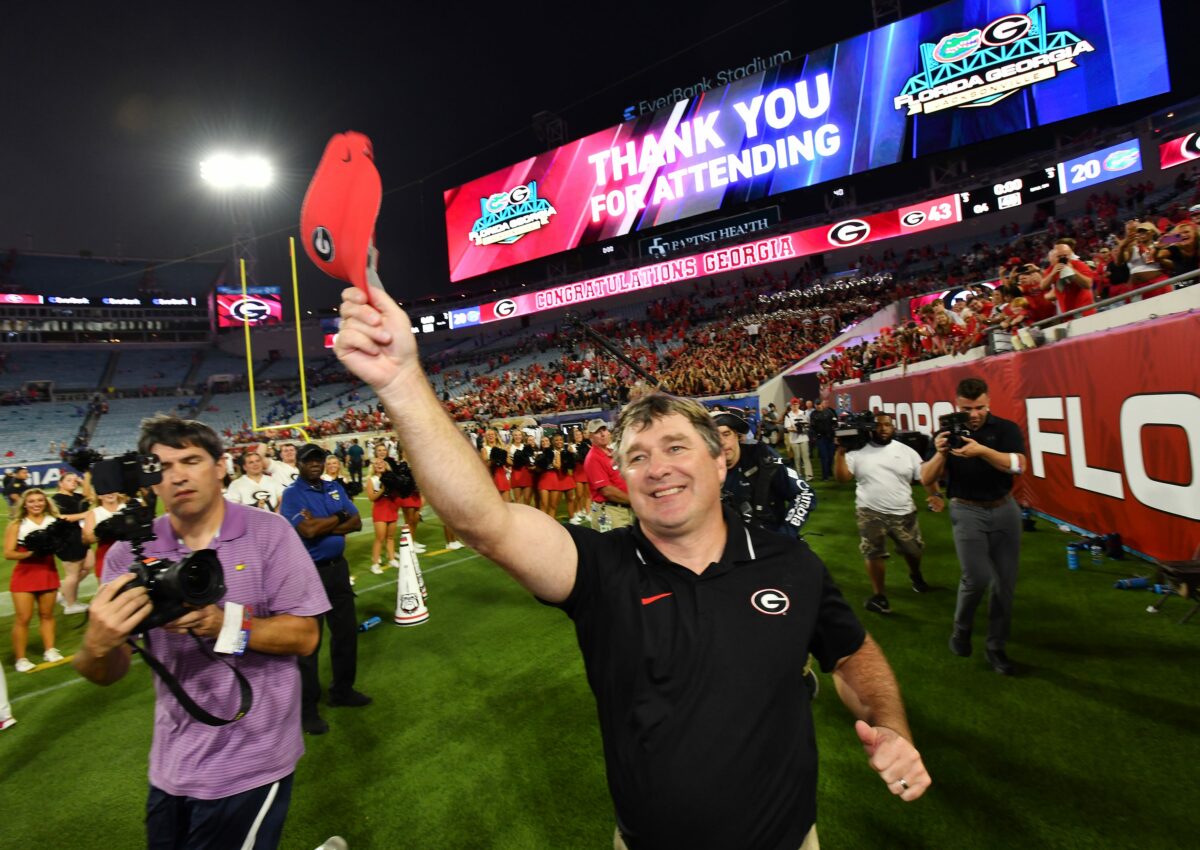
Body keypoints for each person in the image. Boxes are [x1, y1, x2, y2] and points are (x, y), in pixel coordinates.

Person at [335, 285, 931, 849]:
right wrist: (402, 379)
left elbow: (850, 651)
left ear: (721, 461)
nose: (657, 468)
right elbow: (485, 522)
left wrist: (892, 723)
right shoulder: (600, 568)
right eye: (637, 457)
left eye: (676, 447)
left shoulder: (786, 560)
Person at [74, 415, 328, 849]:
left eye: (190, 460)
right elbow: (106, 671)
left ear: (219, 466)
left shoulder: (269, 533)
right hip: (172, 763)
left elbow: (305, 636)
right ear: (150, 480)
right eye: (163, 466)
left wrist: (221, 623)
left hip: (254, 756)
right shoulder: (128, 554)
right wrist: (96, 646)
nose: (178, 475)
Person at [920, 377, 1026, 675]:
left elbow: (1019, 465)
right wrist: (941, 452)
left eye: (980, 407)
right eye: (968, 408)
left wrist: (982, 451)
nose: (975, 414)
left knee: (1005, 584)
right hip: (966, 509)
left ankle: (996, 647)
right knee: (977, 577)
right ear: (957, 406)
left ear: (989, 402)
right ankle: (961, 629)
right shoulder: (945, 435)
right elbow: (927, 479)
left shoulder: (1005, 429)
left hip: (1005, 509)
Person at [281, 443, 371, 735]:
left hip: (338, 569)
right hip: (308, 573)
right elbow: (306, 531)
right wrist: (339, 518)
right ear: (299, 464)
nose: (316, 464)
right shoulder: (293, 495)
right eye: (310, 460)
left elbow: (356, 522)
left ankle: (342, 691)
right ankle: (307, 710)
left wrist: (325, 524)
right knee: (309, 643)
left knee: (345, 634)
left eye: (319, 458)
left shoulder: (334, 488)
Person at [834, 413, 940, 615]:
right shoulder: (856, 452)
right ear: (871, 428)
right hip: (869, 510)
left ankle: (915, 575)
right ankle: (879, 596)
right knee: (872, 551)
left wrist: (935, 494)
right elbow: (842, 478)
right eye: (879, 425)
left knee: (914, 551)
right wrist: (839, 451)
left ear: (893, 428)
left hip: (903, 512)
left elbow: (925, 474)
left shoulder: (906, 451)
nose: (883, 428)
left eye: (887, 425)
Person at [712, 408, 815, 539]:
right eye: (714, 437)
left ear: (737, 436)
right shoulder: (705, 472)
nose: (721, 442)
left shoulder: (761, 456)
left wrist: (785, 535)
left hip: (774, 543)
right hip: (734, 550)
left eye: (726, 434)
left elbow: (804, 493)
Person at [5, 489, 63, 672]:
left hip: (48, 572)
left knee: (47, 615)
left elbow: (64, 545)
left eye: (40, 500)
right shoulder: (17, 524)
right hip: (25, 575)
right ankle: (20, 659)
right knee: (23, 618)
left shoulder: (53, 522)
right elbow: (8, 553)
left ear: (46, 502)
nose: (36, 504)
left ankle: (50, 649)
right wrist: (31, 553)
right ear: (25, 504)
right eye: (31, 501)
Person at [52, 471, 93, 614]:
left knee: (88, 565)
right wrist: (83, 515)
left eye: (75, 480)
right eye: (69, 480)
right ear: (60, 483)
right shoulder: (57, 498)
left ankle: (62, 592)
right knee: (73, 573)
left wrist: (84, 481)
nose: (73, 482)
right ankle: (70, 605)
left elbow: (90, 498)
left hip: (80, 536)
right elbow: (60, 517)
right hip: (67, 538)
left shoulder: (76, 496)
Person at [581, 418, 632, 532]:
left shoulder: (611, 452)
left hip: (622, 509)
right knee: (615, 548)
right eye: (598, 432)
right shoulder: (593, 458)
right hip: (610, 511)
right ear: (590, 436)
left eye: (604, 429)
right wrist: (634, 501)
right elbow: (607, 491)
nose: (603, 434)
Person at [365, 456, 400, 574]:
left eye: (382, 463)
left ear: (386, 465)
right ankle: (375, 564)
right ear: (373, 467)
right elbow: (371, 498)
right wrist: (382, 489)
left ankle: (391, 558)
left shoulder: (392, 477)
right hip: (380, 509)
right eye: (376, 463)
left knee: (390, 537)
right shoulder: (372, 479)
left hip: (392, 508)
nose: (379, 465)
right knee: (380, 538)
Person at [783, 397, 813, 480]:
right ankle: (799, 475)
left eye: (796, 404)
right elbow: (787, 428)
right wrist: (795, 429)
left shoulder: (803, 413)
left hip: (803, 438)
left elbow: (808, 424)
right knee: (797, 457)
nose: (795, 406)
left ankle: (809, 475)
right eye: (793, 405)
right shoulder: (789, 415)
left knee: (806, 457)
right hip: (794, 439)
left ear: (799, 405)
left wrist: (803, 428)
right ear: (791, 406)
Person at [809, 399, 837, 480]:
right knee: (824, 457)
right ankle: (825, 476)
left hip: (830, 437)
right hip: (821, 438)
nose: (818, 406)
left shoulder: (829, 412)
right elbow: (812, 427)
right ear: (815, 405)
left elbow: (834, 422)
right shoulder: (813, 414)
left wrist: (835, 435)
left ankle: (829, 471)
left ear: (822, 404)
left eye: (819, 404)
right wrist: (815, 436)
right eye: (816, 404)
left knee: (831, 456)